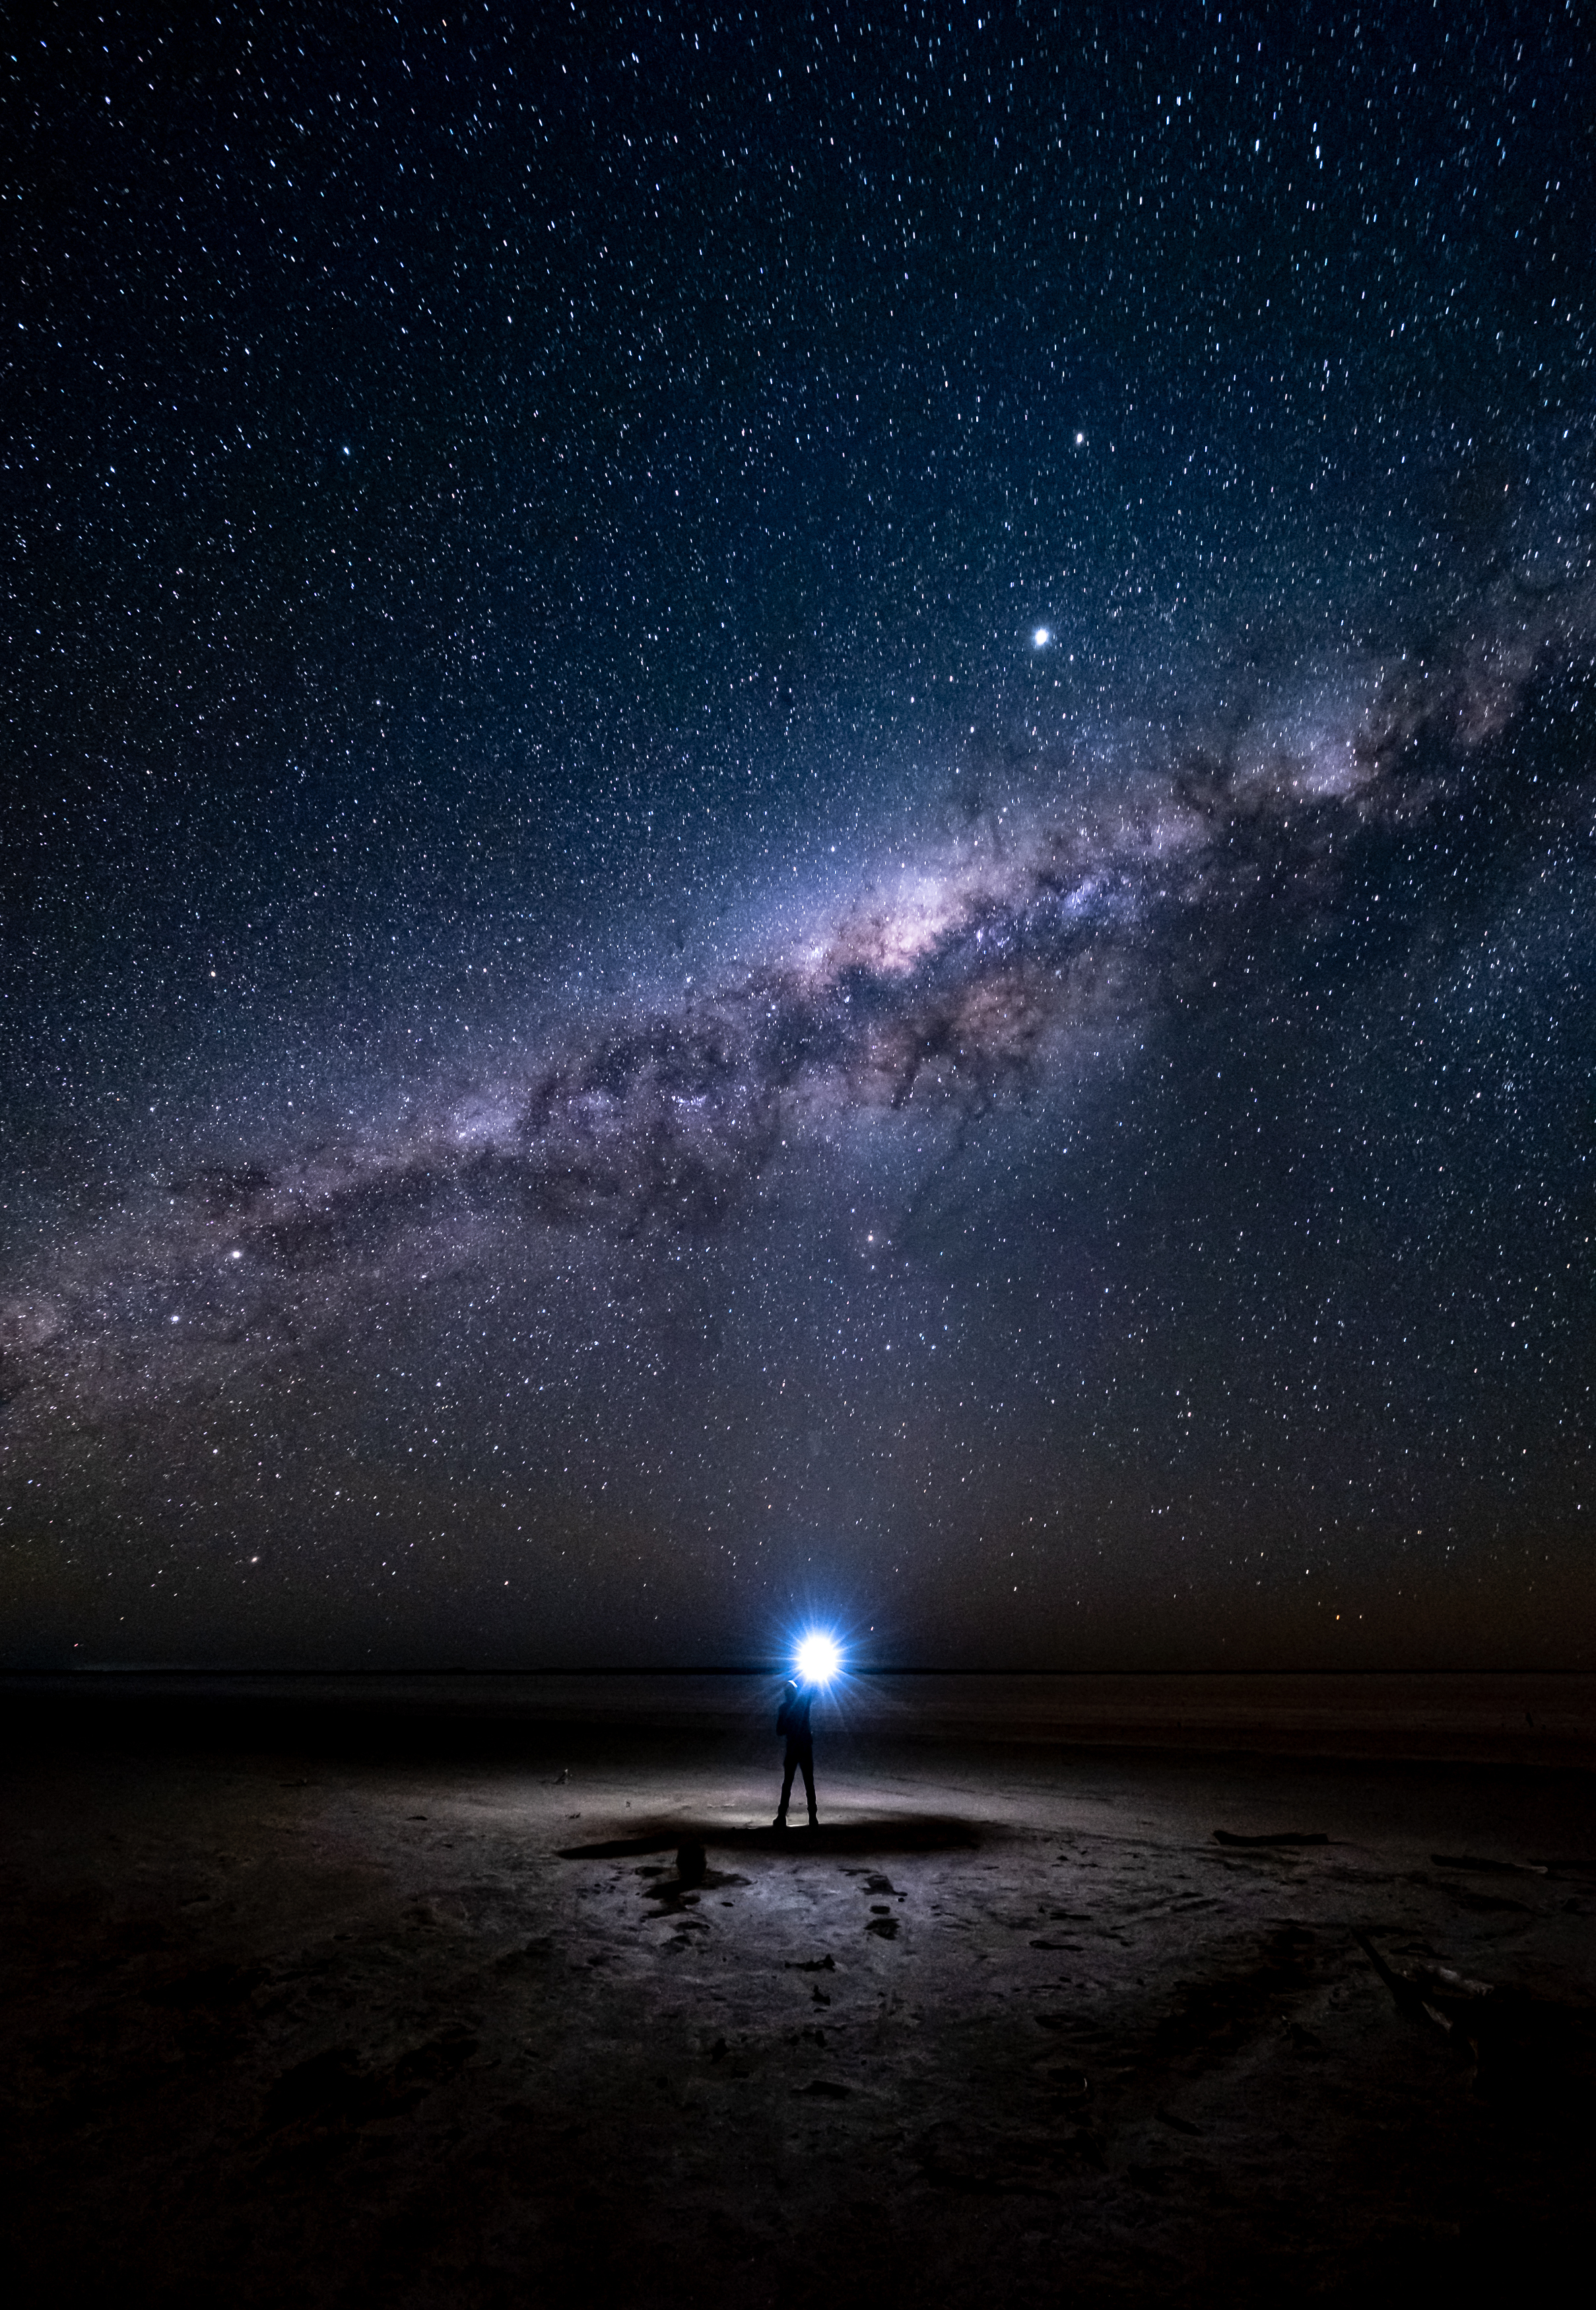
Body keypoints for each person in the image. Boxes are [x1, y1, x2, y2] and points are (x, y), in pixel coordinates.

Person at [774, 1675, 819, 1829]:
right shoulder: (803, 1704)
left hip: (793, 1747)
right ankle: (813, 1818)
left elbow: (780, 1731)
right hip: (805, 1747)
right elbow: (814, 1691)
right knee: (809, 1783)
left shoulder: (784, 1708)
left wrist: (789, 1726)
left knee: (788, 1783)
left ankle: (781, 1817)